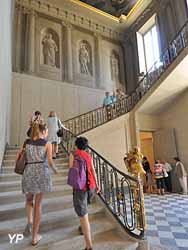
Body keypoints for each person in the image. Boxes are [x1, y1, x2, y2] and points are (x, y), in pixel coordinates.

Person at [18, 123, 58, 246]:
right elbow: (50, 162)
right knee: (38, 205)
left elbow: (18, 157)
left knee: (29, 200)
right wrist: (56, 170)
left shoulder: (26, 142)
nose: (47, 133)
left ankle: (29, 221)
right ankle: (35, 237)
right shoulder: (47, 143)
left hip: (29, 171)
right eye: (46, 131)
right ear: (43, 131)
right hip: (42, 172)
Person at [69, 137, 99, 250]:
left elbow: (71, 170)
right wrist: (97, 184)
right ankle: (82, 227)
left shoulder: (73, 154)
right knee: (84, 210)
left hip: (80, 188)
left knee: (83, 215)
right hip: (91, 185)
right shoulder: (88, 156)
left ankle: (89, 246)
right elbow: (93, 170)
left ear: (76, 145)